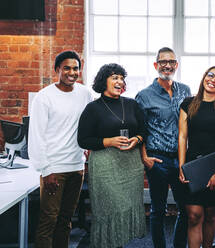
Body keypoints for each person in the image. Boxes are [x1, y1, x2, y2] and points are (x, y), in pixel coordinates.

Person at [28, 50, 93, 248]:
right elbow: (36, 136)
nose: (71, 72)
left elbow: (88, 124)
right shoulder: (44, 97)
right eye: (66, 68)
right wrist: (46, 170)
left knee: (65, 220)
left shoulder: (85, 94)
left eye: (75, 68)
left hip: (77, 167)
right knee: (49, 221)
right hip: (54, 168)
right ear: (57, 69)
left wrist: (87, 146)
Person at [77, 63, 146, 247]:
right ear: (103, 81)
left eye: (121, 78)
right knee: (110, 209)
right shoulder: (93, 108)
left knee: (125, 208)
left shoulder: (132, 104)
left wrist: (137, 139)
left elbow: (144, 130)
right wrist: (109, 141)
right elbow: (83, 140)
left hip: (130, 166)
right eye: (115, 77)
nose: (119, 81)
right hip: (105, 166)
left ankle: (120, 243)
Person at [135, 47, 191, 248]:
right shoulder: (144, 95)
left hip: (182, 158)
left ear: (176, 65)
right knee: (158, 210)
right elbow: (138, 129)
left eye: (171, 62)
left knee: (185, 209)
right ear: (155, 65)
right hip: (157, 159)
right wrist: (144, 158)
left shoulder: (185, 91)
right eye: (163, 62)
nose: (167, 65)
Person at [178, 66, 215, 248]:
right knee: (193, 216)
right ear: (203, 77)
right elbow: (182, 137)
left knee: (210, 216)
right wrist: (182, 167)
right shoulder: (188, 103)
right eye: (210, 75)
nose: (213, 80)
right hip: (193, 166)